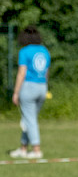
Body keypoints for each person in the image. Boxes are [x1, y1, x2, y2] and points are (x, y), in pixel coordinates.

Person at [10, 25, 51, 159]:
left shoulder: (24, 51)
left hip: (29, 87)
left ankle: (36, 149)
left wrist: (16, 93)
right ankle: (23, 148)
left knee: (30, 120)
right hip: (42, 87)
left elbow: (21, 73)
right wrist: (45, 87)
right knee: (29, 119)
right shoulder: (45, 51)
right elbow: (46, 72)